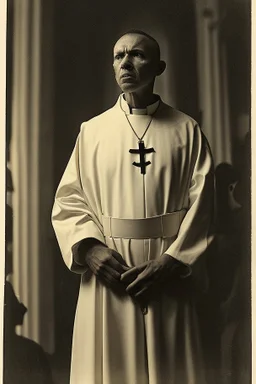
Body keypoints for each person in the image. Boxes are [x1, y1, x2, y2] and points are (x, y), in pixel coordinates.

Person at [52, 30, 215, 384]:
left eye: (137, 55)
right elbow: (69, 199)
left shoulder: (187, 131)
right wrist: (90, 248)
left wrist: (173, 260)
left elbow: (204, 205)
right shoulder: (92, 132)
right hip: (111, 271)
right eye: (119, 56)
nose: (126, 62)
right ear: (113, 67)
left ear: (159, 66)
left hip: (166, 270)